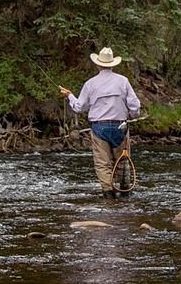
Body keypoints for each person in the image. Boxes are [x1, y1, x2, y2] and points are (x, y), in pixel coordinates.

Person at [60, 46, 141, 196]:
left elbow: (79, 107)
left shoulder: (90, 84)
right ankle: (125, 194)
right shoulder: (123, 81)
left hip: (99, 128)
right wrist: (132, 116)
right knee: (123, 160)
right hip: (120, 126)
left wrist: (69, 96)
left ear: (98, 64)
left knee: (102, 164)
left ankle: (108, 194)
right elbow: (135, 106)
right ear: (112, 64)